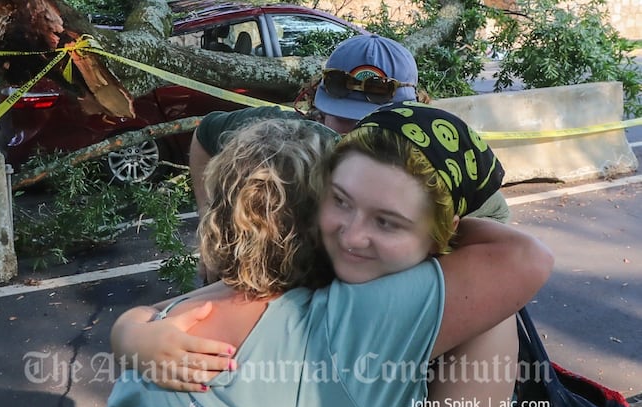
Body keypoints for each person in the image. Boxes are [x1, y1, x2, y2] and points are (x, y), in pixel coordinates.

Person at [105, 104, 554, 407]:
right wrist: (428, 224)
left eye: (387, 220)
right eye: (341, 200)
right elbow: (520, 257)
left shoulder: (172, 327)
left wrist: (130, 332)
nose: (353, 235)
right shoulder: (353, 322)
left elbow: (208, 131)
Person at [189, 33, 509, 284]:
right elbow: (205, 134)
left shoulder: (432, 161)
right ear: (318, 101)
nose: (357, 136)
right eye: (344, 119)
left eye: (375, 122)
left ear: (411, 109)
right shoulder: (293, 137)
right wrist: (209, 221)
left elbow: (500, 230)